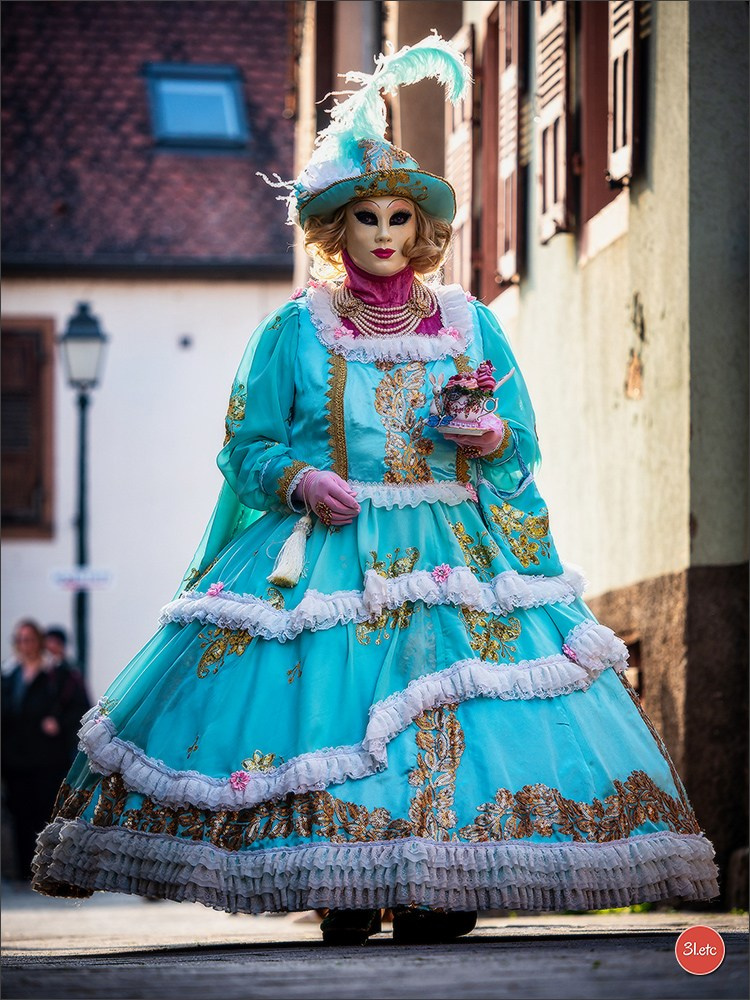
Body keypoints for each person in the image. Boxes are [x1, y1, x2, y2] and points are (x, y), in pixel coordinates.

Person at [31, 36, 718, 941]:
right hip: (330, 547)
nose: (387, 236)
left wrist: (488, 434)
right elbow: (247, 445)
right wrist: (300, 476)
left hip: (453, 549)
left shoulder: (470, 324)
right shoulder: (298, 330)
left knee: (450, 702)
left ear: (421, 228)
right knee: (338, 705)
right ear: (337, 231)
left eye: (402, 219)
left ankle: (440, 885)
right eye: (368, 219)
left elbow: (519, 444)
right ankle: (346, 884)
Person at [2, 619, 90, 880]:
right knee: (19, 813)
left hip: (47, 757)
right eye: (20, 640)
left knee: (45, 813)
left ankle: (46, 869)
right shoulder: (10, 674)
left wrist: (58, 724)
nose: (24, 646)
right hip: (15, 757)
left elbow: (79, 709)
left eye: (29, 640)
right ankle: (22, 871)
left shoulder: (57, 675)